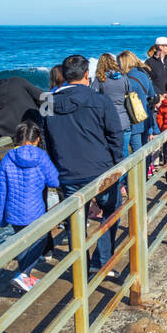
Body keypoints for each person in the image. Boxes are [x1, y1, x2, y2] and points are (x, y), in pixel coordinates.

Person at [42, 55, 123, 276]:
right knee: (111, 210)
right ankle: (102, 260)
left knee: (76, 221)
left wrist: (55, 165)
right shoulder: (100, 100)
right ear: (87, 74)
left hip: (67, 171)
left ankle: (81, 267)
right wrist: (118, 166)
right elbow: (115, 136)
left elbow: (45, 137)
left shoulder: (47, 101)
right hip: (101, 169)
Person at [0, 121, 59, 294]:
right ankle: (23, 274)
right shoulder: (41, 156)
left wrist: (1, 218)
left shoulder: (7, 157)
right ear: (37, 139)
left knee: (22, 243)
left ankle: (24, 279)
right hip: (35, 210)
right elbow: (54, 181)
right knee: (41, 240)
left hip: (13, 211)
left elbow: (2, 190)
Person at [93, 53, 133, 157]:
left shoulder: (100, 79)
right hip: (124, 119)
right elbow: (130, 93)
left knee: (110, 153)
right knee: (124, 152)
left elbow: (93, 97)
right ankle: (125, 173)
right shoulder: (123, 77)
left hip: (107, 120)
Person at [118, 50, 157, 156]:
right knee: (145, 149)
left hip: (133, 118)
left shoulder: (126, 79)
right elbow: (151, 93)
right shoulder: (143, 74)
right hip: (145, 115)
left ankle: (141, 172)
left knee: (137, 151)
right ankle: (146, 170)